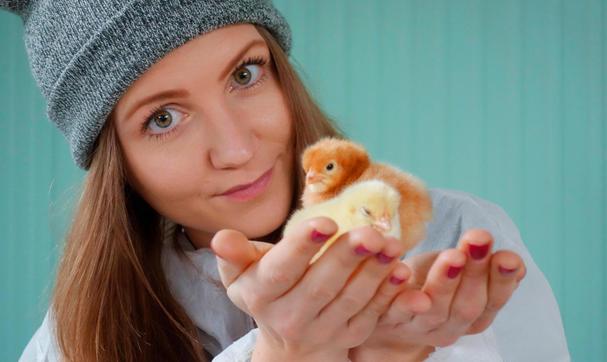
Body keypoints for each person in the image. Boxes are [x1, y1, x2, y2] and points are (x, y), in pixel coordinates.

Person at [2, 1, 570, 361]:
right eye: (163, 118)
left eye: (245, 74)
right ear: (116, 163)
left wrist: (402, 352)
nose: (237, 148)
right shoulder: (81, 331)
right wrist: (287, 354)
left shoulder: (455, 240)